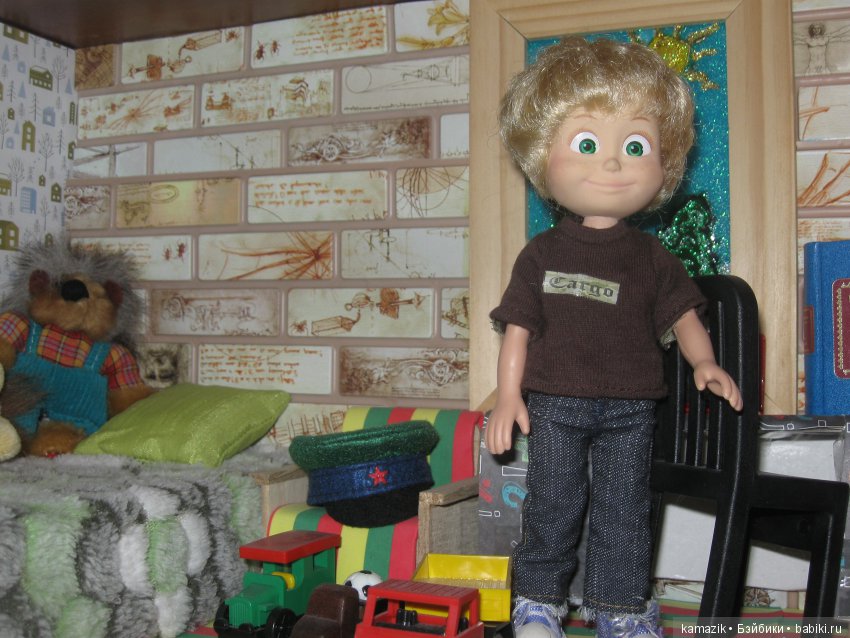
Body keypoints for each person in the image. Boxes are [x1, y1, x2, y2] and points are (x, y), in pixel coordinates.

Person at [487, 36, 743, 638]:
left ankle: (621, 608)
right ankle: (538, 602)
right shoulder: (541, 254)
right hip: (556, 404)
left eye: (634, 146)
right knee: (553, 503)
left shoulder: (652, 257)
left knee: (625, 510)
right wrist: (507, 396)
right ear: (541, 155)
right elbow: (519, 330)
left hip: (631, 408)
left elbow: (683, 316)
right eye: (586, 144)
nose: (611, 164)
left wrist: (704, 361)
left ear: (663, 165)